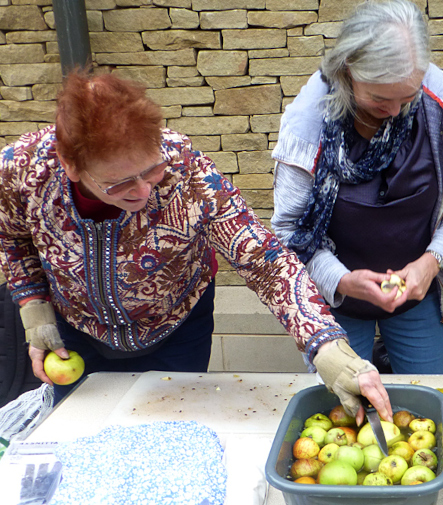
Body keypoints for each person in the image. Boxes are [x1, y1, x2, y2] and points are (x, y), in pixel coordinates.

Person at [0, 70, 392, 423]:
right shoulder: (22, 171)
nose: (142, 191)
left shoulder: (187, 170)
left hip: (176, 327)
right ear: (71, 166)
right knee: (82, 432)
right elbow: (12, 239)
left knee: (171, 433)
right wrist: (34, 309)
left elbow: (265, 259)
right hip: (76, 330)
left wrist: (324, 342)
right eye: (119, 184)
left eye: (151, 170)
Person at [270, 0, 443, 375]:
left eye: (408, 97)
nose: (396, 110)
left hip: (416, 293)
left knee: (426, 397)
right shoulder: (307, 126)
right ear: (348, 70)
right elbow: (290, 232)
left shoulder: (442, 105)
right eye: (379, 98)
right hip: (335, 298)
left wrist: (430, 263)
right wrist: (341, 280)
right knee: (343, 407)